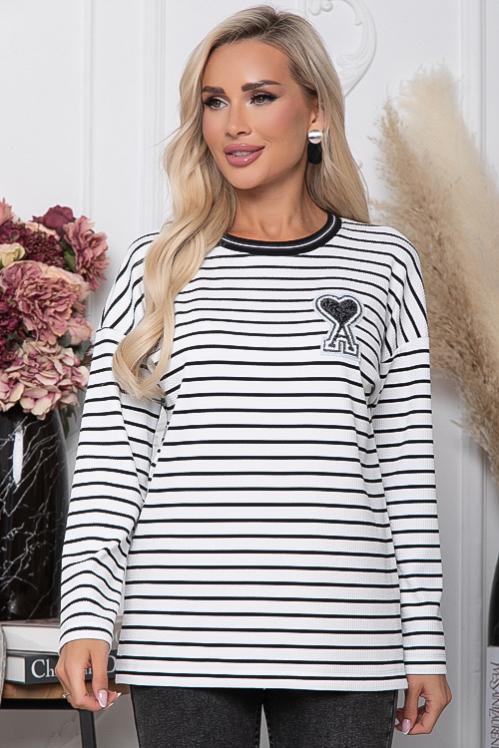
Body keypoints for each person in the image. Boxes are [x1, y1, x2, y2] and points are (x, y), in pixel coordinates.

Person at [55, 4, 452, 746]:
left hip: (345, 638)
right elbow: (113, 462)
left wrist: (424, 645)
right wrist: (85, 617)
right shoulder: (157, 266)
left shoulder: (384, 264)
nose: (234, 123)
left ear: (315, 112)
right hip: (179, 637)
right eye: (215, 102)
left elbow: (405, 468)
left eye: (260, 96)